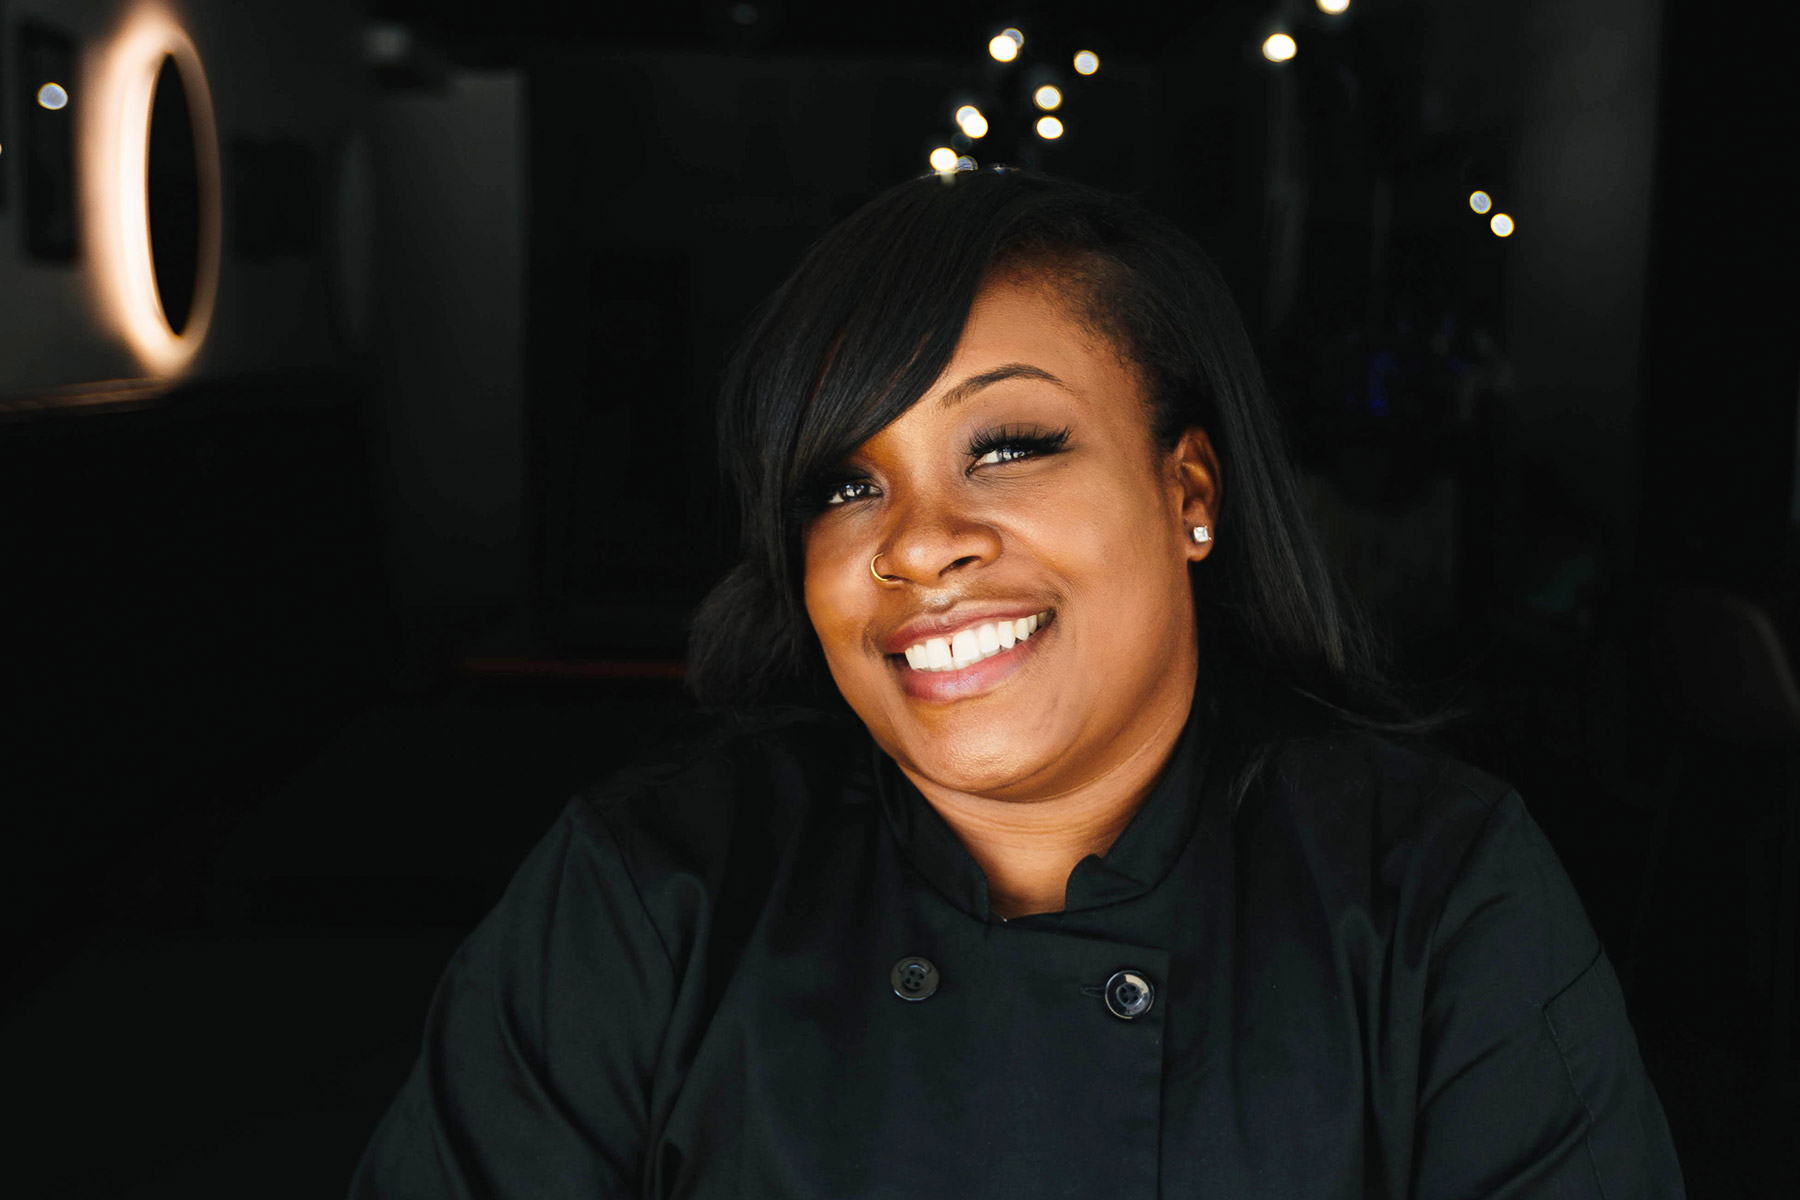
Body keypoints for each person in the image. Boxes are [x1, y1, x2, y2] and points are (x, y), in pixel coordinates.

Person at [350, 168, 1685, 1198]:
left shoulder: (1437, 900)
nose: (919, 542)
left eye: (1008, 447)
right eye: (848, 484)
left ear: (1191, 493)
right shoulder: (645, 899)